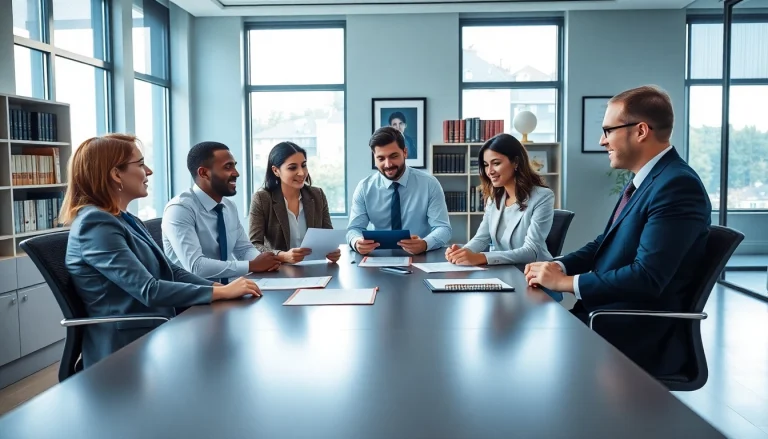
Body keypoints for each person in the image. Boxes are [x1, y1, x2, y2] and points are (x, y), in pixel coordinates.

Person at [524, 85, 711, 376]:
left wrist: (566, 282)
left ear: (640, 131)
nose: (602, 141)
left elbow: (647, 277)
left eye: (608, 130)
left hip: (633, 332)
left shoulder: (676, 186)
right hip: (605, 317)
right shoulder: (648, 180)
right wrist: (556, 265)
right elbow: (605, 243)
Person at [62, 134, 260, 368]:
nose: (149, 171)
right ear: (116, 174)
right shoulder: (95, 225)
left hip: (157, 330)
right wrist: (221, 293)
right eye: (140, 164)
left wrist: (217, 287)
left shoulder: (126, 219)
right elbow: (149, 289)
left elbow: (170, 270)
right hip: (126, 350)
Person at [162, 141, 280, 284]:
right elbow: (196, 267)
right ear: (204, 173)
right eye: (228, 167)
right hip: (196, 298)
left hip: (230, 290)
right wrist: (252, 265)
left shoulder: (228, 206)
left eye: (234, 166)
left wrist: (265, 262)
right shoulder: (180, 209)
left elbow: (243, 249)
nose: (236, 173)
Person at [445, 133, 554, 266]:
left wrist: (482, 258)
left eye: (496, 163)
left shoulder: (542, 197)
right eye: (485, 165)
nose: (489, 171)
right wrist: (462, 252)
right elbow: (481, 238)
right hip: (503, 271)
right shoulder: (494, 198)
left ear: (516, 162)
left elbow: (531, 251)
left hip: (534, 274)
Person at [347, 126, 451, 255]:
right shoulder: (364, 188)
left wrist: (425, 244)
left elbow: (443, 228)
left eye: (393, 156)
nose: (388, 164)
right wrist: (357, 242)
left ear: (405, 152)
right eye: (381, 158)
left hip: (420, 257)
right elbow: (354, 229)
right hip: (378, 259)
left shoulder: (429, 184)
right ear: (374, 158)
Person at [248, 141, 341, 263]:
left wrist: (332, 251)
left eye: (303, 165)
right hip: (278, 269)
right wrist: (282, 255)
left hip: (314, 268)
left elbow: (327, 237)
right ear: (276, 171)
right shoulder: (262, 199)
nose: (301, 172)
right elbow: (254, 245)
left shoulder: (317, 195)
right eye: (292, 167)